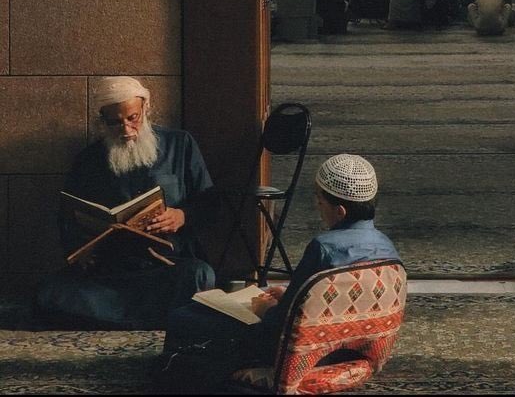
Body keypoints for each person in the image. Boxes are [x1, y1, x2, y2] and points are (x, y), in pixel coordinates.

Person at [163, 155, 399, 381]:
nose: (318, 208)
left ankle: (172, 375)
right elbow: (327, 297)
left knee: (183, 317)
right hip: (345, 350)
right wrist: (289, 294)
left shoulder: (324, 248)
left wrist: (266, 309)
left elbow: (280, 325)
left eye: (320, 201)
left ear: (340, 212)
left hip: (291, 351)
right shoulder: (387, 248)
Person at [36, 77, 216, 329]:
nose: (126, 129)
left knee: (200, 275)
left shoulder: (180, 144)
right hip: (112, 269)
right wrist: (80, 250)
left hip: (166, 263)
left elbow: (210, 204)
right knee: (50, 293)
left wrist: (181, 215)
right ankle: (153, 316)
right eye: (115, 122)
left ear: (146, 109)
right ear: (102, 121)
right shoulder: (89, 160)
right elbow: (68, 218)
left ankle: (113, 318)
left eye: (132, 118)